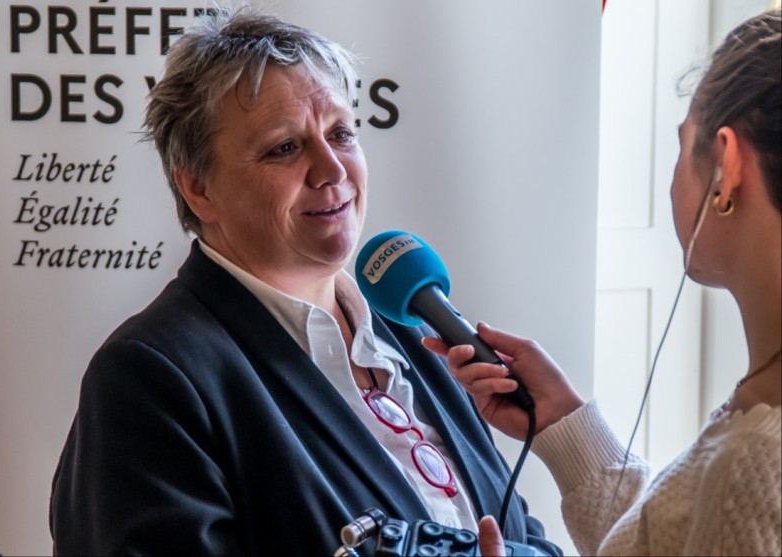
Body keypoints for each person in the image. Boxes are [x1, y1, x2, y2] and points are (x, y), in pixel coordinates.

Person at [48, 6, 562, 556]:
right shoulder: (151, 376)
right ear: (198, 188)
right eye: (285, 148)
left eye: (341, 133)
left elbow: (520, 538)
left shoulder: (415, 337)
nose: (333, 170)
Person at [425, 9, 781, 557]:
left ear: (726, 168)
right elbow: (675, 542)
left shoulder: (751, 467)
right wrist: (565, 424)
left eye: (683, 145)